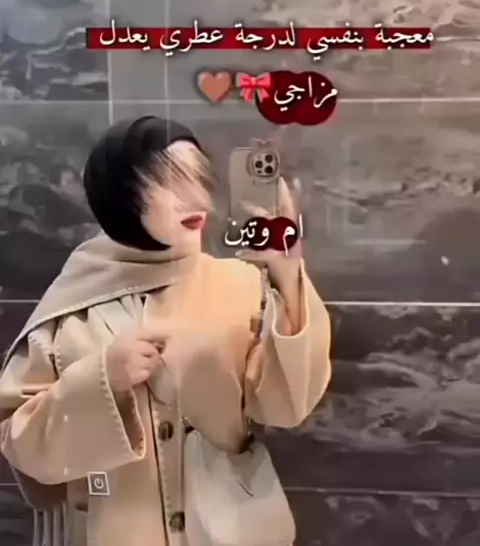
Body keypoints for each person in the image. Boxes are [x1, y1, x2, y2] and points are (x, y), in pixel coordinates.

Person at [0, 116, 331, 546]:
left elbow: (287, 406)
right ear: (121, 195)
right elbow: (19, 439)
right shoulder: (72, 304)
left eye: (199, 178)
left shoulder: (240, 285)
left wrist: (288, 281)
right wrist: (102, 379)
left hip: (227, 530)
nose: (195, 198)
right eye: (169, 182)